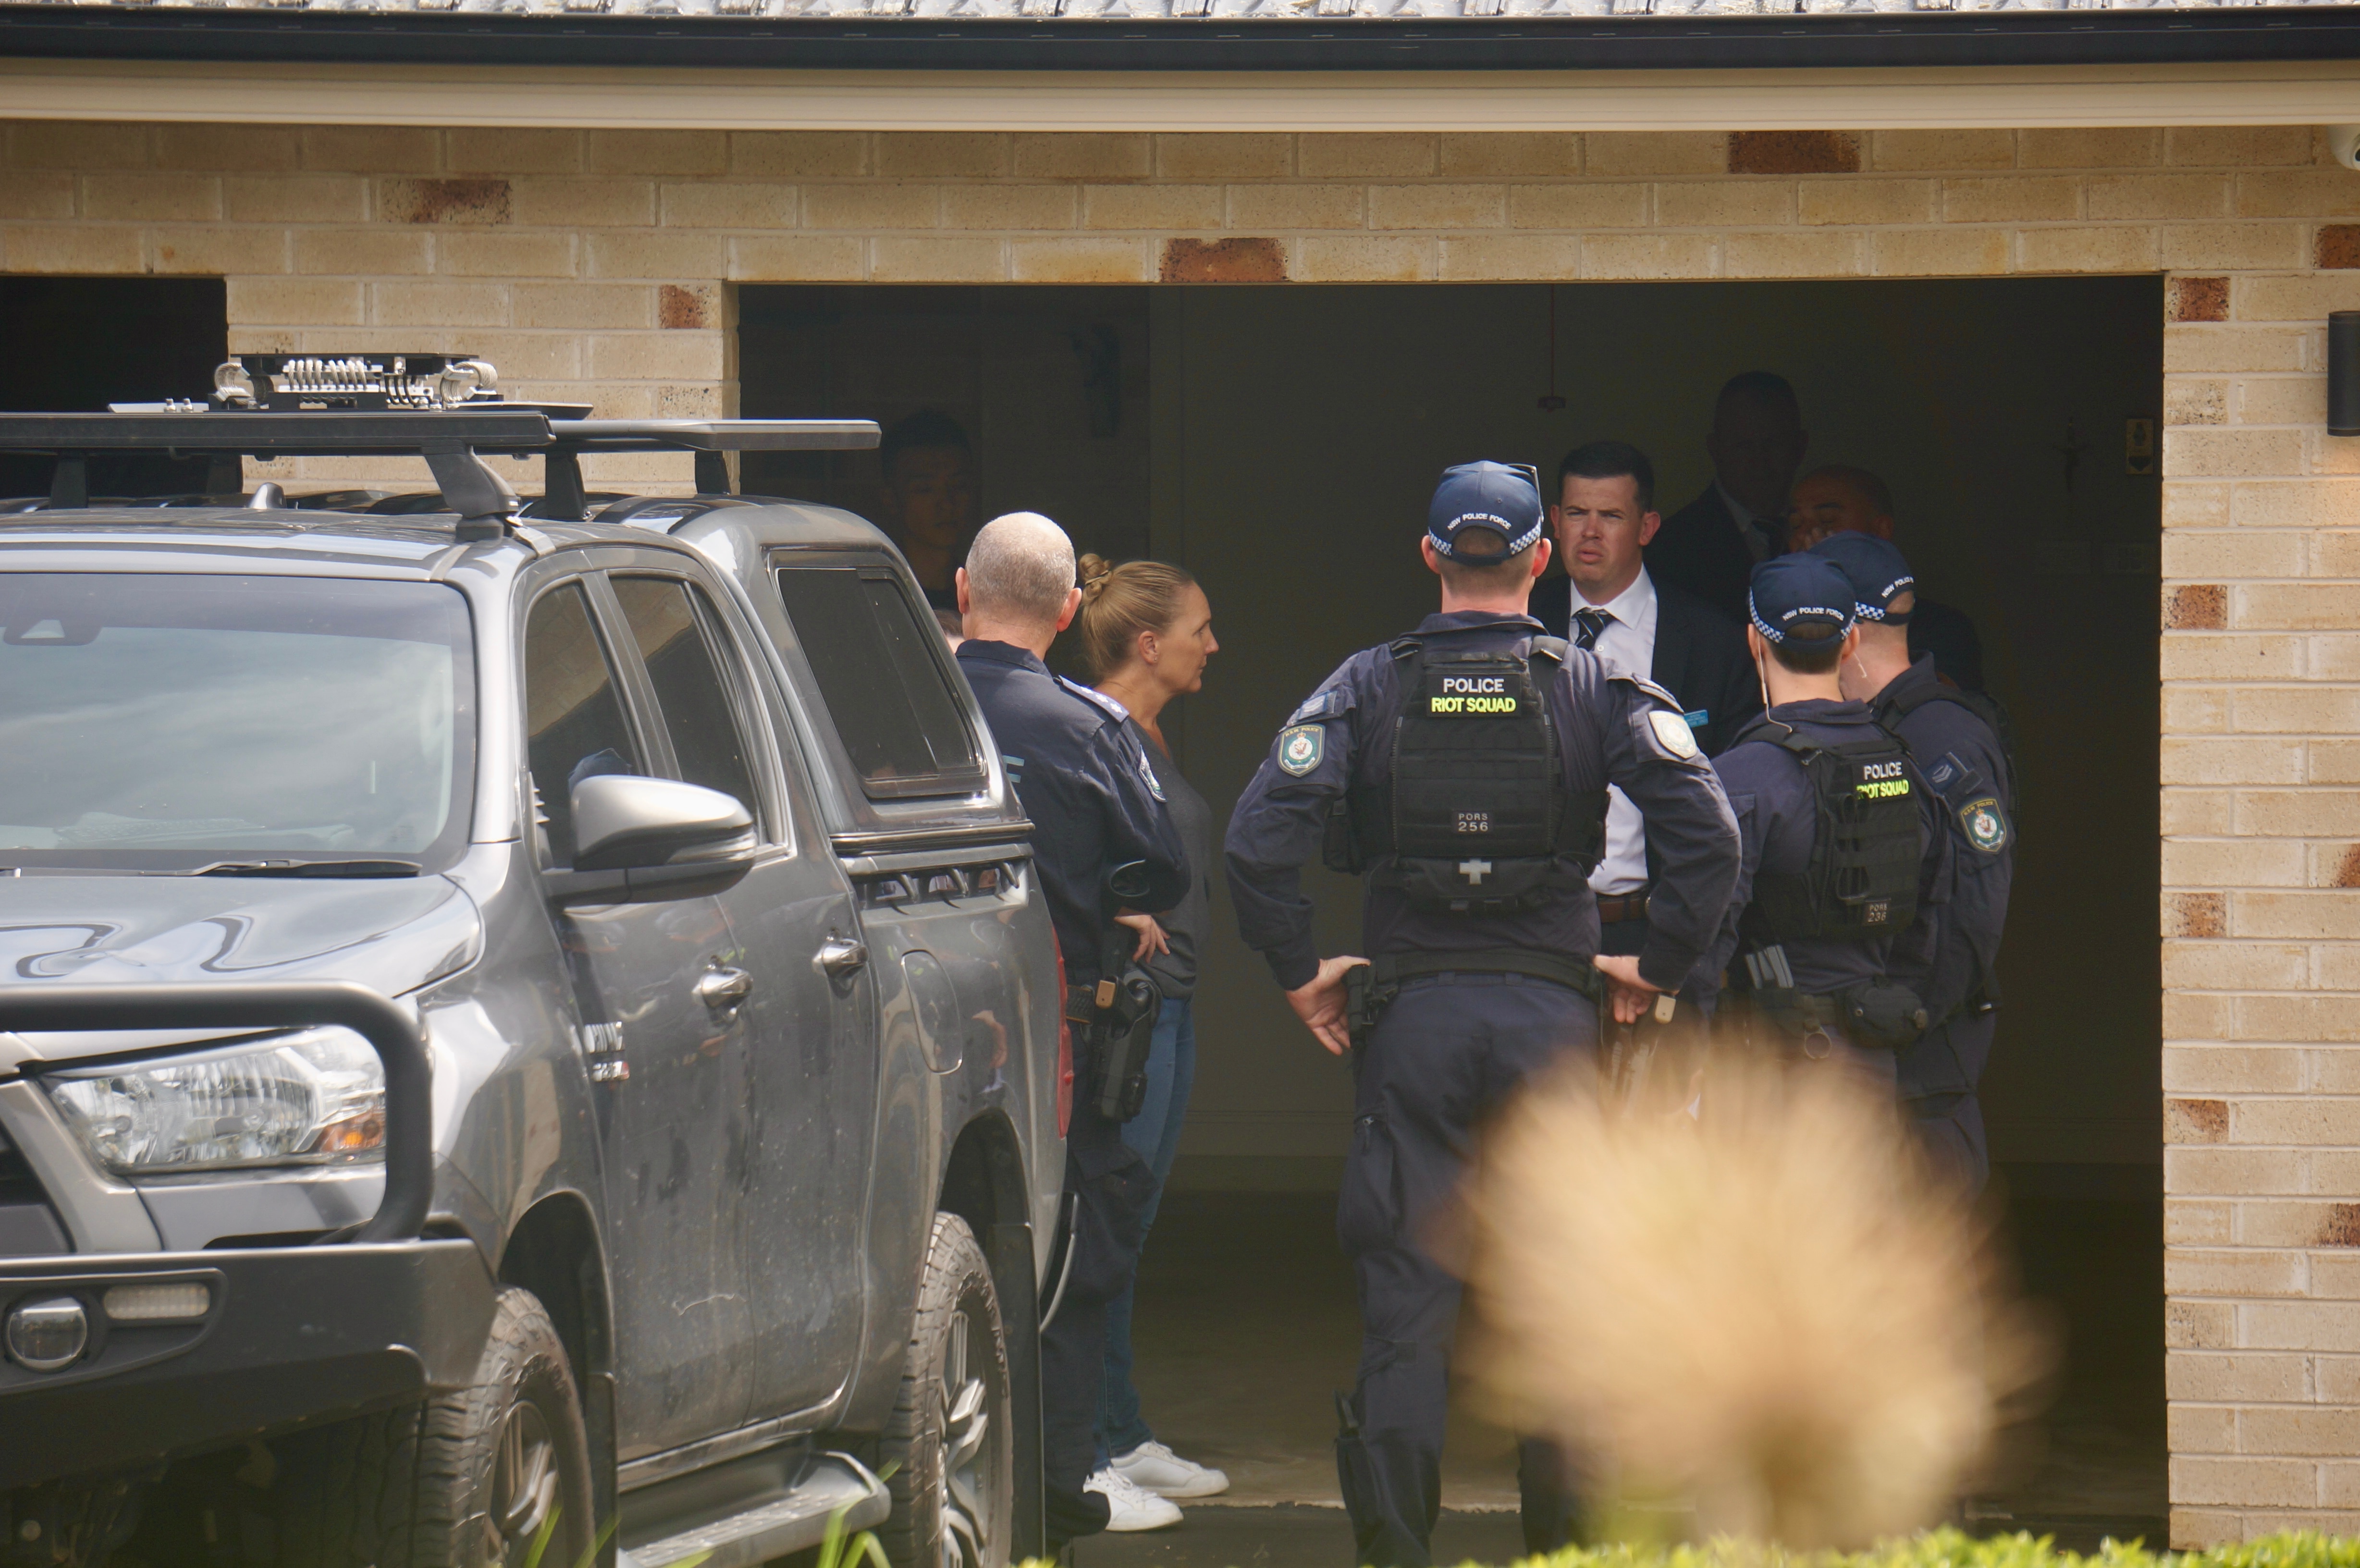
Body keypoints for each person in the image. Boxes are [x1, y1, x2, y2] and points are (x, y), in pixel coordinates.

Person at [1225, 461, 1741, 1568]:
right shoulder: (1594, 686)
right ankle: (1561, 1551)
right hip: (1554, 1027)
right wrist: (1654, 965)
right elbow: (1708, 837)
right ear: (1540, 558)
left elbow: (1254, 841)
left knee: (1406, 1305)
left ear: (1426, 558)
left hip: (1409, 1024)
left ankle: (1399, 1552)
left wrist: (1294, 967)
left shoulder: (1365, 685)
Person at [953, 513, 1191, 1547]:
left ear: (962, 590)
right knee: (1068, 1256)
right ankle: (1054, 1488)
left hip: (908, 1033)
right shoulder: (1084, 726)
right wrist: (1108, 904)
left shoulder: (885, 702)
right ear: (1066, 612)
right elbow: (1159, 864)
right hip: (1056, 1040)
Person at [1069, 552, 1233, 1518]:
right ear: (1148, 643)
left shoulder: (1150, 733)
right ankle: (1088, 1447)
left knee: (1128, 1232)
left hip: (1169, 1007)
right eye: (1199, 628)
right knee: (1103, 1232)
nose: (1212, 644)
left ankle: (1122, 1425)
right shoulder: (1093, 734)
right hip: (1126, 1017)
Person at [1686, 553, 1948, 1096]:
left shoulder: (1741, 777)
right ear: (1850, 642)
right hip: (1874, 1063)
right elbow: (1933, 918)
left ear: (1754, 643)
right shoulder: (1907, 768)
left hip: (1767, 1071)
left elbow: (1702, 931)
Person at [1813, 530, 2015, 1191]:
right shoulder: (1858, 727)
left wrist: (1898, 1021)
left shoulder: (1944, 738)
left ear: (1844, 626)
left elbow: (1972, 918)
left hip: (1921, 1085)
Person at [1528, 441, 1761, 964]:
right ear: (1554, 522)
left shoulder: (1712, 643)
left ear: (1648, 527)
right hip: (1534, 930)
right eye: (1576, 513)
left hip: (1653, 930)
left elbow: (1736, 802)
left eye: (1610, 515)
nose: (1589, 532)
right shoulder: (1518, 626)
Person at [1783, 464, 1986, 692]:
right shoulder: (1778, 630)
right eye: (1795, 525)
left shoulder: (1939, 628)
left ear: (1881, 530)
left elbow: (1937, 708)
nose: (1806, 534)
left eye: (1828, 520)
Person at [1645, 371, 1810, 626]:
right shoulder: (1671, 550)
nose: (1759, 462)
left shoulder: (1828, 537)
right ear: (1715, 449)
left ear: (1800, 447)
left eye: (1773, 444)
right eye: (1743, 447)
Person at [877, 409, 981, 635]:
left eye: (959, 486)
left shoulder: (985, 600)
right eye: (925, 490)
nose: (946, 503)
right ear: (891, 498)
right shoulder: (878, 596)